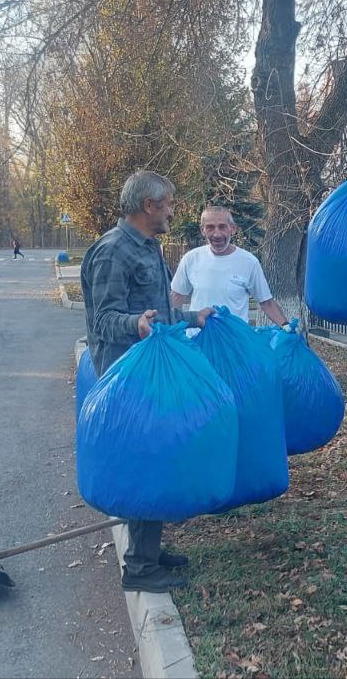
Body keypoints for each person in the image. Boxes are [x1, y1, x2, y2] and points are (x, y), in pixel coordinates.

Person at [80, 170, 215, 594]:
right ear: (149, 206)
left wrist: (194, 317)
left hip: (149, 368)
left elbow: (158, 310)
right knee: (143, 458)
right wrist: (134, 324)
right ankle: (139, 567)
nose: (174, 211)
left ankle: (150, 551)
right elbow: (103, 320)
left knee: (155, 454)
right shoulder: (113, 252)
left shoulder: (148, 246)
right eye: (170, 203)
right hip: (127, 373)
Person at [170, 206, 288, 326]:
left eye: (222, 227)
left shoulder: (249, 262)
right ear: (202, 230)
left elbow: (266, 303)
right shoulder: (191, 259)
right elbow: (176, 298)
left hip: (236, 341)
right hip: (198, 339)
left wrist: (286, 327)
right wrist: (161, 328)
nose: (217, 234)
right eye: (210, 227)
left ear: (232, 229)